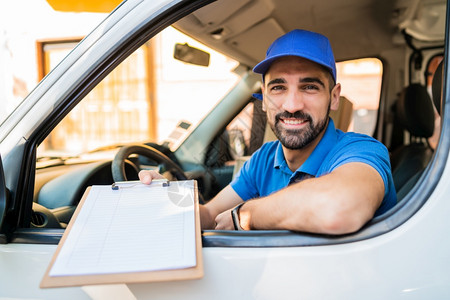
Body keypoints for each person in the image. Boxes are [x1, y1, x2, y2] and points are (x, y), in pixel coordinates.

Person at [139, 29, 397, 234]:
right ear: (263, 98)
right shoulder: (264, 159)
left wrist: (244, 216)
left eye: (309, 87)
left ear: (334, 97)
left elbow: (339, 208)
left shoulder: (362, 150)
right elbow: (209, 215)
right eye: (278, 88)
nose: (292, 105)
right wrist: (169, 200)